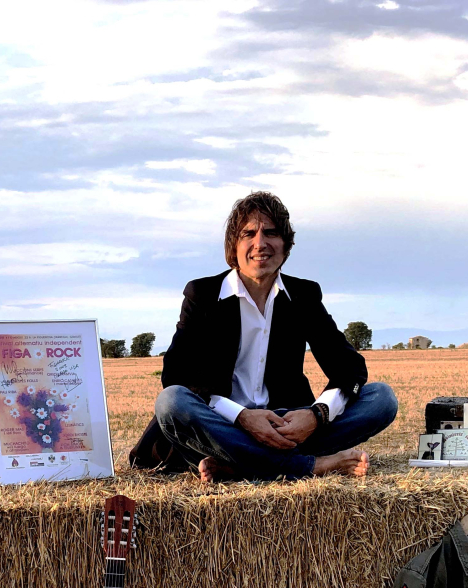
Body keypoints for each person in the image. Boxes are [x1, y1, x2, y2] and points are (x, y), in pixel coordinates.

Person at [138, 192, 397, 481]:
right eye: (249, 233)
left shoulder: (303, 295)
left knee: (382, 398)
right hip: (224, 424)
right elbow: (176, 375)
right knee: (171, 401)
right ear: (233, 246)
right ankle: (310, 467)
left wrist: (316, 415)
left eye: (271, 233)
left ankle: (240, 465)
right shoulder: (204, 295)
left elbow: (349, 369)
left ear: (285, 245)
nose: (260, 243)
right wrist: (243, 417)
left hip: (287, 425)